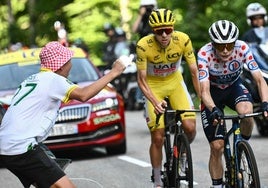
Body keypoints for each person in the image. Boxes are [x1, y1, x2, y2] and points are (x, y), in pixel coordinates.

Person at [0, 41, 133, 188]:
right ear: (61, 64)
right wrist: (114, 72)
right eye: (69, 61)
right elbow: (84, 95)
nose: (71, 66)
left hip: (8, 146)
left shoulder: (32, 79)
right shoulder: (53, 79)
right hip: (21, 147)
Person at [197, 20, 268, 188]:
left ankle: (242, 146)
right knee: (217, 146)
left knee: (247, 111)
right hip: (212, 94)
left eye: (229, 45)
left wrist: (265, 102)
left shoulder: (242, 48)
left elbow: (259, 79)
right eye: (220, 46)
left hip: (234, 87)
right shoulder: (204, 54)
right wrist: (213, 109)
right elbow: (204, 91)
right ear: (213, 44)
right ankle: (217, 185)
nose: (226, 50)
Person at [136, 8, 200, 188]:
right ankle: (157, 180)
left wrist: (203, 99)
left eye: (168, 30)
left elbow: (194, 72)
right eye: (159, 31)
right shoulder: (143, 45)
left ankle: (183, 154)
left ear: (173, 28)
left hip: (174, 82)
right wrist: (155, 102)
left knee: (190, 127)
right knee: (158, 136)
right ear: (152, 31)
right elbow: (141, 80)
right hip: (152, 86)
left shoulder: (183, 40)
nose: (164, 35)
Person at [132, 0, 158, 110]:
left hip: (157, 50)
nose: (147, 9)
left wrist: (154, 13)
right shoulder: (141, 19)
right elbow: (133, 29)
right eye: (144, 7)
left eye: (149, 7)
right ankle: (140, 96)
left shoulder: (157, 18)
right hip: (144, 51)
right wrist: (140, 15)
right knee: (142, 73)